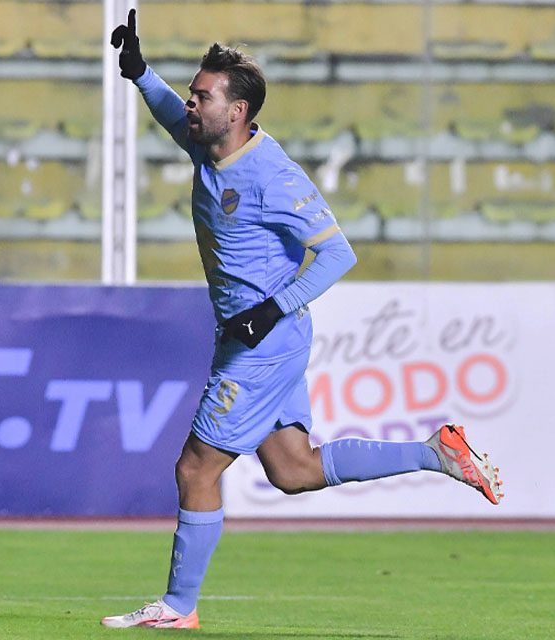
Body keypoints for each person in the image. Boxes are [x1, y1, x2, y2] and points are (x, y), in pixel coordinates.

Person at [101, 10, 503, 630]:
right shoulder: (208, 146)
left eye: (201, 95)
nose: (190, 101)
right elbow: (166, 111)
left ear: (236, 111)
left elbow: (338, 252)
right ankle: (435, 455)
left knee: (195, 468)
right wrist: (139, 73)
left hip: (264, 340)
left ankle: (178, 607)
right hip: (252, 336)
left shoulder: (273, 177)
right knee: (293, 470)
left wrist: (269, 310)